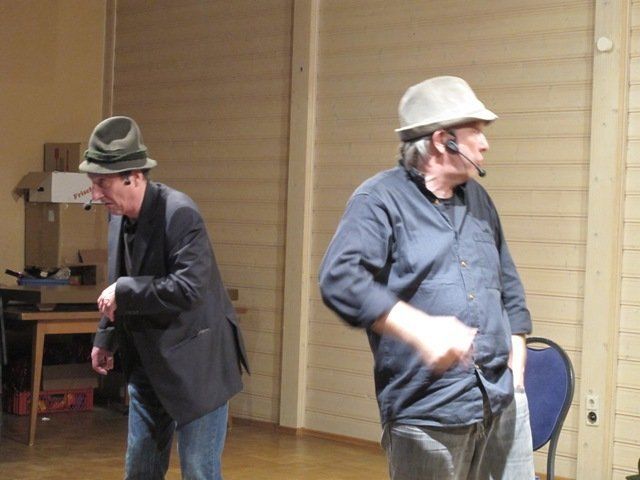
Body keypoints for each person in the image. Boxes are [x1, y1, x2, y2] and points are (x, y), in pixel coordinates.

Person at [319, 76, 535, 480]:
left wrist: (517, 352)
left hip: (501, 401)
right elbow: (339, 278)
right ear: (442, 141)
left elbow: (507, 282)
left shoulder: (479, 200)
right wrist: (420, 329)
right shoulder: (379, 200)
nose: (485, 144)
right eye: (476, 132)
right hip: (429, 413)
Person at [80, 116, 249, 480]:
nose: (95, 195)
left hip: (198, 363)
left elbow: (188, 288)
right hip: (149, 360)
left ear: (134, 176)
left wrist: (125, 291)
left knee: (199, 470)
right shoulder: (116, 217)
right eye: (93, 184)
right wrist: (106, 335)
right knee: (140, 468)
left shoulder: (180, 213)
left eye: (102, 184)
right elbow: (117, 280)